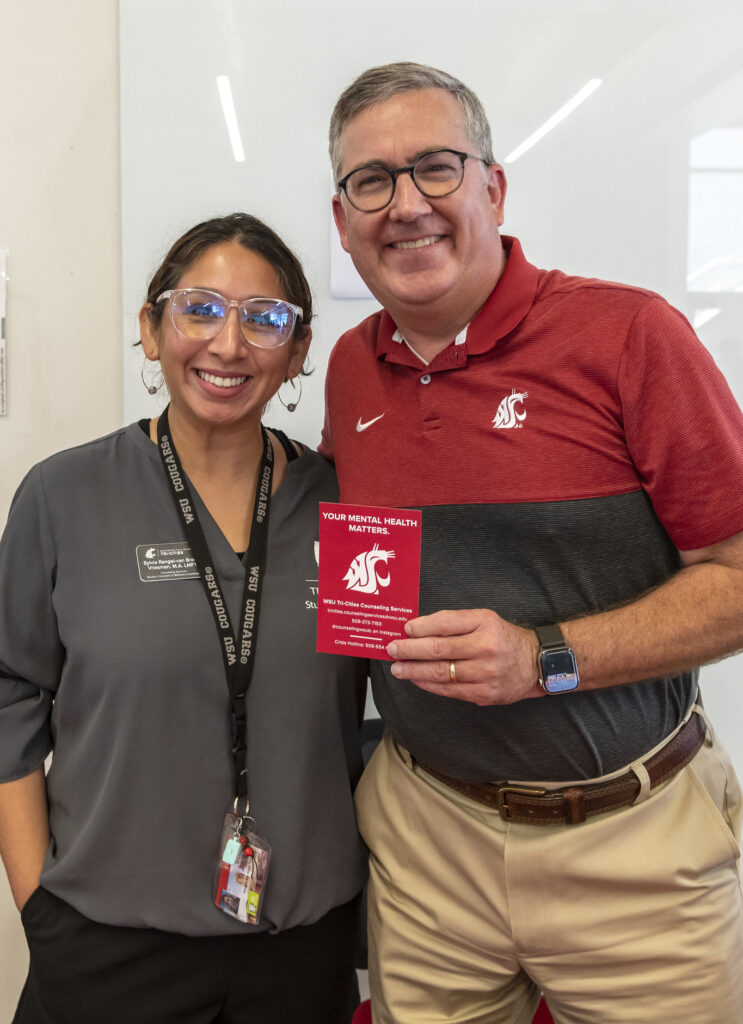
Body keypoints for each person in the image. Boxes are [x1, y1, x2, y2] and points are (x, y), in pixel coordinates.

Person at [320, 62, 743, 1024]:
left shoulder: (630, 335)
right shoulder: (350, 369)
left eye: (435, 168)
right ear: (342, 220)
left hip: (631, 847)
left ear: (493, 189)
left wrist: (542, 657)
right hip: (425, 843)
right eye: (371, 182)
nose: (406, 205)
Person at [0, 213, 367, 1024]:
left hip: (301, 950)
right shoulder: (64, 497)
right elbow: (8, 698)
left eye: (265, 319)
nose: (228, 345)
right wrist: (38, 908)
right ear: (150, 328)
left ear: (298, 351)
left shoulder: (348, 509)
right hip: (106, 947)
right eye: (199, 309)